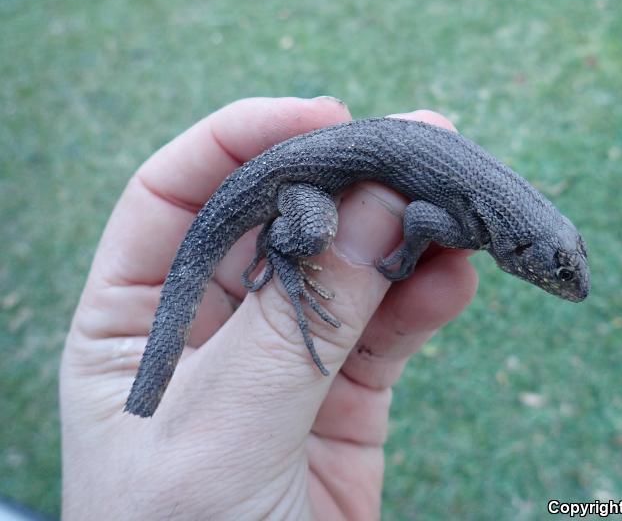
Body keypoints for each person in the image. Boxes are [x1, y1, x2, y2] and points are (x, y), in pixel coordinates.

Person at [60, 97, 478, 520]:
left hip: (305, 175)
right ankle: (279, 248)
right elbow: (421, 217)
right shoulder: (480, 227)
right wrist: (404, 256)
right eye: (552, 276)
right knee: (313, 233)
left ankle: (140, 420)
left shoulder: (492, 223)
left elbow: (425, 214)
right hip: (291, 181)